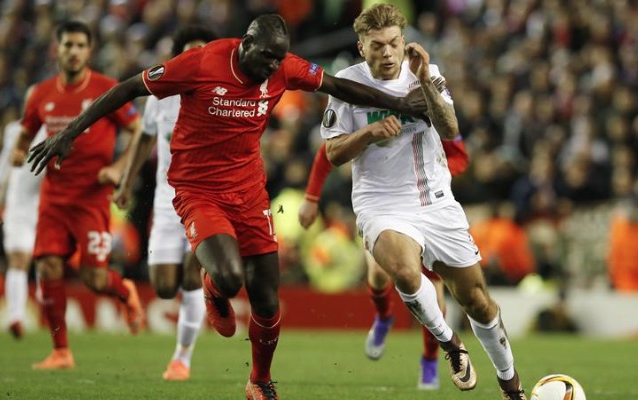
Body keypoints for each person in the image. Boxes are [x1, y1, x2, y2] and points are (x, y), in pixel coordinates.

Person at [27, 13, 428, 400]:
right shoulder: (202, 63)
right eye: (267, 57)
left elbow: (340, 88)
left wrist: (400, 104)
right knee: (230, 276)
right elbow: (128, 88)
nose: (274, 67)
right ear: (246, 44)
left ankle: (260, 381)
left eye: (279, 59)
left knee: (267, 297)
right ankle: (213, 288)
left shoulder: (284, 67)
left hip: (249, 191)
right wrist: (72, 132)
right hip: (198, 189)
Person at [319, 4, 526, 399]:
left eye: (394, 43)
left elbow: (450, 129)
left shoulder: (426, 74)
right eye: (376, 45)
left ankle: (511, 384)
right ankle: (450, 345)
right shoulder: (346, 85)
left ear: (404, 41)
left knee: (478, 303)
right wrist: (370, 133)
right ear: (362, 47)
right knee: (406, 273)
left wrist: (426, 81)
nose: (387, 52)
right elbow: (332, 153)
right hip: (381, 203)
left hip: (435, 200)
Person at [298, 117, 468, 390]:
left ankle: (430, 361)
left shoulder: (432, 112)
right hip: (384, 208)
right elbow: (326, 152)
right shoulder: (370, 113)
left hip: (427, 211)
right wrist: (311, 198)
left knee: (434, 293)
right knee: (378, 274)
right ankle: (384, 316)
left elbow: (459, 156)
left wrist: (435, 172)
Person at [14, 20, 145, 370]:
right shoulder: (40, 93)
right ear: (57, 48)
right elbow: (25, 136)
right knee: (47, 266)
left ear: (89, 51)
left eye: (80, 46)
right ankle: (61, 351)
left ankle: (124, 291)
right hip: (54, 198)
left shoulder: (106, 89)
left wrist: (118, 169)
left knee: (94, 279)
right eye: (67, 45)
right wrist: (16, 154)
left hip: (91, 198)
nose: (73, 52)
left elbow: (138, 130)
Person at [115, 25, 218, 381]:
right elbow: (144, 139)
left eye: (204, 52)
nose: (197, 59)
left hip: (205, 197)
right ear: (179, 58)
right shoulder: (160, 96)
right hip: (165, 197)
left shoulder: (222, 96)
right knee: (162, 286)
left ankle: (182, 359)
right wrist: (126, 182)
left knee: (192, 274)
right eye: (190, 52)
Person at [0, 111, 45, 339]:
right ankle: (16, 317)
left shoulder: (54, 129)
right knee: (19, 260)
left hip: (48, 203)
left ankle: (49, 316)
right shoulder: (14, 130)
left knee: (47, 261)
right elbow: (4, 167)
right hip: (19, 204)